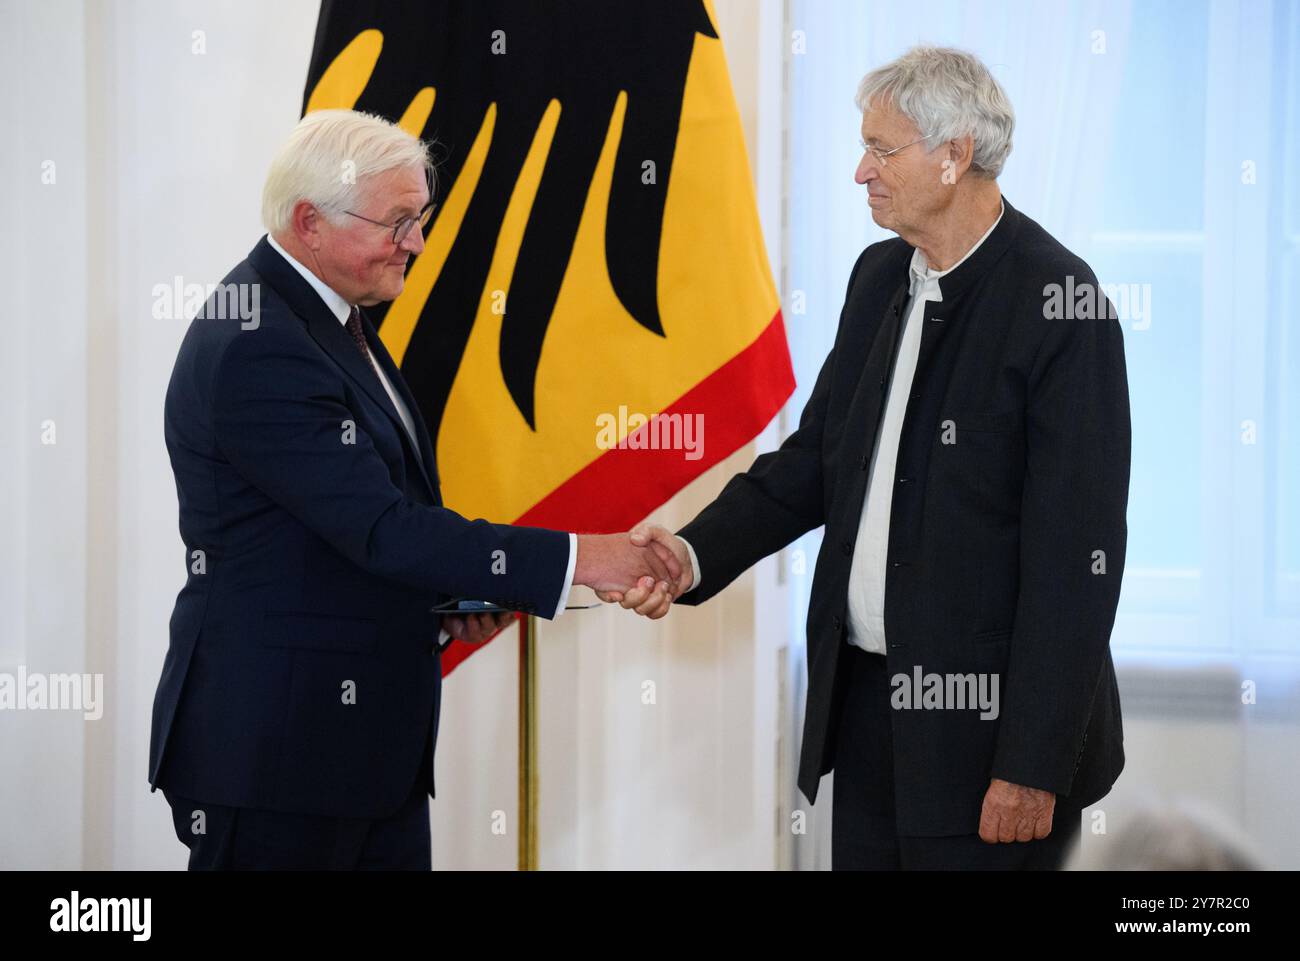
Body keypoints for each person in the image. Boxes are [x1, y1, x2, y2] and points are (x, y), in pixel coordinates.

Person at [606, 46, 1132, 870]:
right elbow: (817, 460)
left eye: (882, 150)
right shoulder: (879, 274)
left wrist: (1031, 765)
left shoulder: (1062, 303)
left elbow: (1079, 562)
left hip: (992, 741)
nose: (860, 171)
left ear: (955, 156)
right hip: (868, 718)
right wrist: (690, 550)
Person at [149, 109, 679, 870]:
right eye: (398, 222)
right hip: (280, 758)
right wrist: (584, 558)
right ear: (310, 223)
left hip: (356, 756)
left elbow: (344, 532)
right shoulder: (259, 343)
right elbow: (384, 530)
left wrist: (447, 605)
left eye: (420, 218)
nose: (418, 244)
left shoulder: (329, 318)